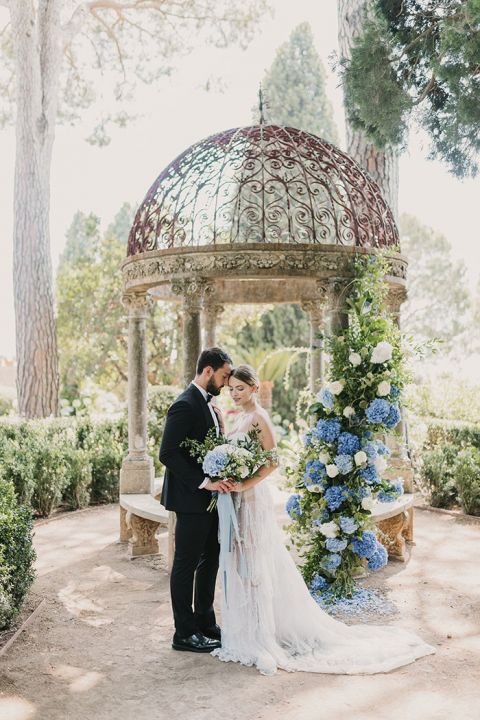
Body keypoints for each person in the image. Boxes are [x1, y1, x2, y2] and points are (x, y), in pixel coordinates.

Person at [212, 364, 435, 675]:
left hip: (251, 500)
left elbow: (273, 463)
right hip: (236, 500)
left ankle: (261, 632)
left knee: (255, 562)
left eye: (240, 388)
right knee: (241, 560)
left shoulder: (259, 419)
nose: (234, 394)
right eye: (231, 389)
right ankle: (247, 627)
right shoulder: (238, 418)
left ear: (254, 389)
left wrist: (243, 484)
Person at [159, 347, 233, 653]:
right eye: (225, 375)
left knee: (210, 560)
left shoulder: (211, 406)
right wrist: (204, 482)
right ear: (208, 370)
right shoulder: (184, 404)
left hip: (211, 500)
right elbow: (168, 453)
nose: (227, 382)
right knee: (186, 565)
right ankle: (184, 633)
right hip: (191, 499)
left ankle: (205, 622)